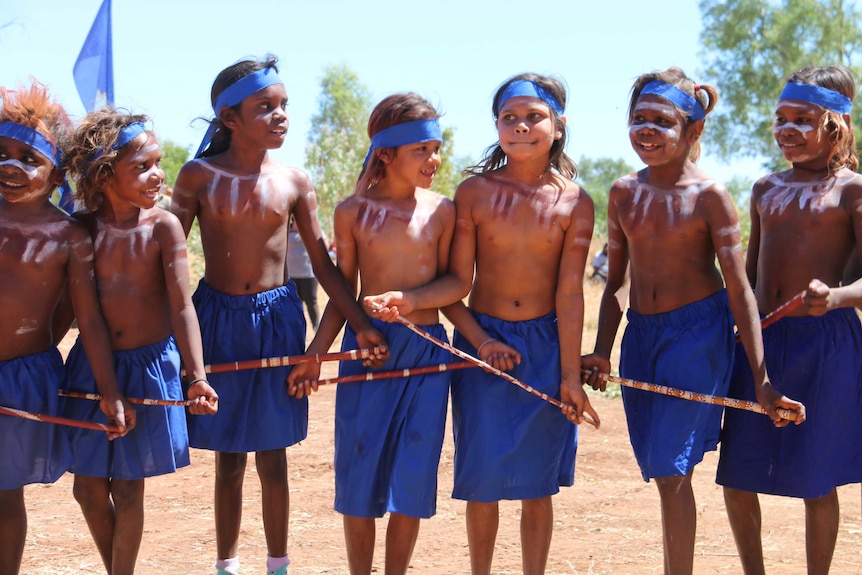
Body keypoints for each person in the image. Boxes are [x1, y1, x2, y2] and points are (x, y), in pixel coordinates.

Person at [365, 73, 599, 575]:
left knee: (538, 485)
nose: (520, 127)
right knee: (483, 479)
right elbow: (456, 285)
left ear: (558, 126)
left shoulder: (575, 202)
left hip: (546, 345)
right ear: (496, 127)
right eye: (509, 118)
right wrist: (425, 311)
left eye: (533, 117)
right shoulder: (473, 194)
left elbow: (571, 292)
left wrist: (570, 376)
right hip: (481, 347)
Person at [580, 67, 805, 575]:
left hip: (697, 337)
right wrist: (601, 349)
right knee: (661, 467)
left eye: (663, 121)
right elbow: (616, 281)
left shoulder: (710, 198)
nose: (648, 131)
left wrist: (763, 380)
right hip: (643, 335)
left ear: (693, 130)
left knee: (671, 468)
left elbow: (739, 289)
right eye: (639, 119)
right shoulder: (623, 193)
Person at [170, 54, 387, 575]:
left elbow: (323, 265)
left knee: (273, 455)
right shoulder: (198, 176)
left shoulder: (294, 181)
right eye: (265, 106)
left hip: (278, 321)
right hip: (216, 320)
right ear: (229, 118)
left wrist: (360, 324)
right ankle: (226, 565)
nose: (280, 114)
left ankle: (278, 565)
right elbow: (166, 256)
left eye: (284, 105)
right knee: (227, 458)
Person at [287, 92, 455, 575]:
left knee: (414, 477)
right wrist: (316, 354)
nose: (434, 159)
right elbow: (345, 293)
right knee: (359, 475)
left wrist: (473, 336)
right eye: (422, 149)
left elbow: (452, 286)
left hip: (427, 354)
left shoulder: (443, 211)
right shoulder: (353, 212)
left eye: (437, 147)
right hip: (369, 352)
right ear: (386, 153)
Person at [716, 65, 862, 575]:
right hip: (762, 341)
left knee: (816, 479)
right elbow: (752, 280)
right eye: (781, 118)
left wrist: (840, 294)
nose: (787, 129)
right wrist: (741, 339)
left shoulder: (853, 191)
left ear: (836, 125)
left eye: (802, 118)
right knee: (736, 474)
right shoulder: (764, 189)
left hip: (826, 345)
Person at [60, 111, 219, 575]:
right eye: (143, 167)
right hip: (93, 369)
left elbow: (181, 307)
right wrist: (108, 391)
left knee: (129, 488)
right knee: (87, 488)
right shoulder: (81, 230)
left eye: (158, 162)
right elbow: (86, 316)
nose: (158, 175)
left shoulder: (163, 227)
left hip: (151, 369)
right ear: (105, 176)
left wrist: (197, 377)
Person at [0, 81, 132, 575]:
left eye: (27, 158)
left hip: (21, 381)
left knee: (4, 492)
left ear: (57, 172)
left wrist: (111, 391)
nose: (10, 166)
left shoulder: (69, 237)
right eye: (2, 153)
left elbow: (85, 317)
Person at [287, 218, 320, 329]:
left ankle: (316, 327)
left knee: (311, 302)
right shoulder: (286, 230)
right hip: (292, 275)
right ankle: (299, 329)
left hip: (308, 273)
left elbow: (322, 243)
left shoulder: (310, 228)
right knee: (296, 304)